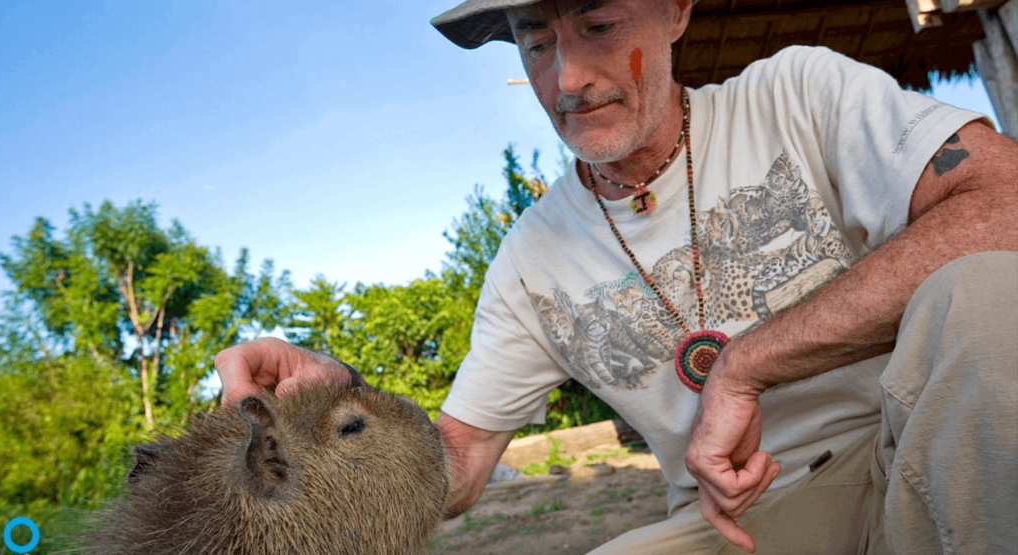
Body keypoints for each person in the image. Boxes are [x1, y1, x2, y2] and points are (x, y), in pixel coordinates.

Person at [215, 0, 1018, 553]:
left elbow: (1004, 201)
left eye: (597, 23)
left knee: (984, 293)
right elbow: (452, 470)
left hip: (919, 460)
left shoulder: (796, 95)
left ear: (676, 10)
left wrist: (748, 363)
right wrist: (337, 402)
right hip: (735, 527)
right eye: (536, 40)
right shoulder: (530, 259)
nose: (566, 80)